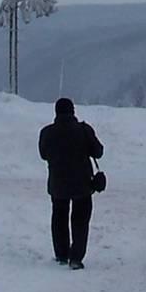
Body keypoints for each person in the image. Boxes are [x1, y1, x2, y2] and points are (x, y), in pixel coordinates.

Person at [38, 97, 104, 269]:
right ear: (73, 111)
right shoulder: (83, 130)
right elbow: (98, 151)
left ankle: (61, 254)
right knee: (80, 220)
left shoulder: (47, 132)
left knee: (59, 217)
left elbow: (43, 154)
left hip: (57, 183)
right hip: (82, 184)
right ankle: (76, 258)